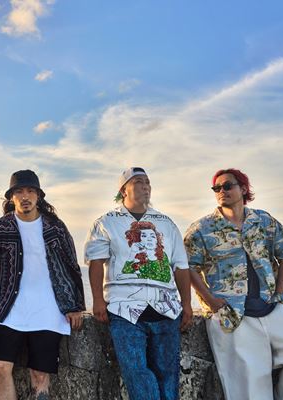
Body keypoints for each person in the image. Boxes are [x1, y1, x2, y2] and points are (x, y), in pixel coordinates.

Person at [184, 168, 283, 400]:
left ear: (243, 189)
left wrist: (279, 293)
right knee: (250, 384)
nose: (221, 191)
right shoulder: (201, 229)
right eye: (216, 188)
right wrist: (211, 300)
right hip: (231, 313)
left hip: (271, 306)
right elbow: (187, 267)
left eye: (227, 186)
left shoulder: (263, 220)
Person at [0, 169, 85, 400]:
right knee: (0, 368)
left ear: (38, 196)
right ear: (11, 197)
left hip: (48, 310)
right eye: (19, 191)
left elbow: (71, 266)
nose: (25, 196)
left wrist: (75, 306)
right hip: (8, 308)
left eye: (30, 191)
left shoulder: (56, 227)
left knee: (39, 375)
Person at [84, 167, 192, 400]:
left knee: (168, 375)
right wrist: (98, 300)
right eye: (139, 182)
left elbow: (181, 266)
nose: (146, 186)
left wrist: (187, 304)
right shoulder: (106, 222)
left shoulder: (166, 223)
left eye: (148, 182)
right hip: (124, 310)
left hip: (166, 309)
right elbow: (96, 262)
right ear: (123, 190)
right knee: (136, 373)